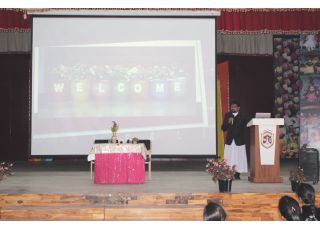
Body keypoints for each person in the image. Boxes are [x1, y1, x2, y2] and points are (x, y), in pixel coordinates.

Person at [221, 100, 248, 179]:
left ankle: (237, 174)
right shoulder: (228, 115)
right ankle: (228, 173)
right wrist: (228, 122)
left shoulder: (243, 115)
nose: (233, 108)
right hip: (230, 140)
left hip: (240, 140)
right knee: (229, 157)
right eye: (232, 107)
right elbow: (223, 128)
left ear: (238, 108)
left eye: (234, 107)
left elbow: (249, 125)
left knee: (239, 157)